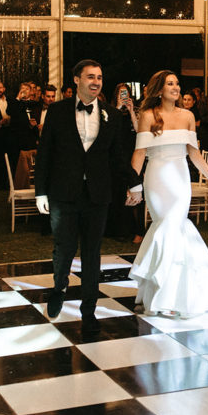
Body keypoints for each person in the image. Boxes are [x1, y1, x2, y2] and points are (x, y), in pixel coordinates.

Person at [34, 59, 141, 329]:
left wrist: (135, 182)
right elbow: (45, 153)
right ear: (76, 80)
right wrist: (41, 192)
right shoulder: (56, 111)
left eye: (100, 77)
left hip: (97, 195)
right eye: (90, 76)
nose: (96, 82)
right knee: (64, 248)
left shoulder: (111, 115)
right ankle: (59, 288)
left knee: (92, 253)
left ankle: (89, 310)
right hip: (62, 193)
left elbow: (117, 157)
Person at [128, 70, 208, 318]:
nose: (176, 87)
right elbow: (139, 154)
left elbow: (194, 153)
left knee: (175, 226)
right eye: (170, 84)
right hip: (157, 177)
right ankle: (163, 294)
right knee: (166, 226)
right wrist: (132, 184)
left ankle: (175, 294)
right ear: (159, 89)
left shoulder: (189, 116)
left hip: (180, 179)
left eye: (177, 83)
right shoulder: (148, 115)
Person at [105, 83, 144, 244]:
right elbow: (107, 130)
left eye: (125, 93)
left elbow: (139, 130)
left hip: (132, 152)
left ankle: (138, 230)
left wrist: (131, 111)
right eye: (120, 93)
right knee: (118, 192)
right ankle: (119, 229)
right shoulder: (109, 110)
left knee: (134, 189)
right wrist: (118, 108)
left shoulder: (134, 110)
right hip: (115, 154)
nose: (123, 96)